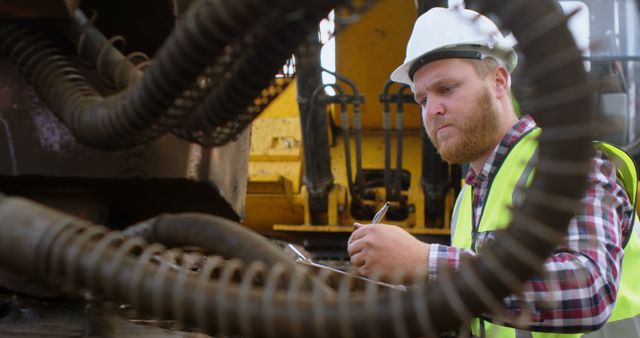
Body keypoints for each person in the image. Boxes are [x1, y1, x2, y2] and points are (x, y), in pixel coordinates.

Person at [346, 7, 640, 337]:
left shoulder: (571, 163)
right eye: (422, 99)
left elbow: (589, 292)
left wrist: (425, 262)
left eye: (446, 89)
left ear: (499, 82)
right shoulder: (467, 199)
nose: (433, 110)